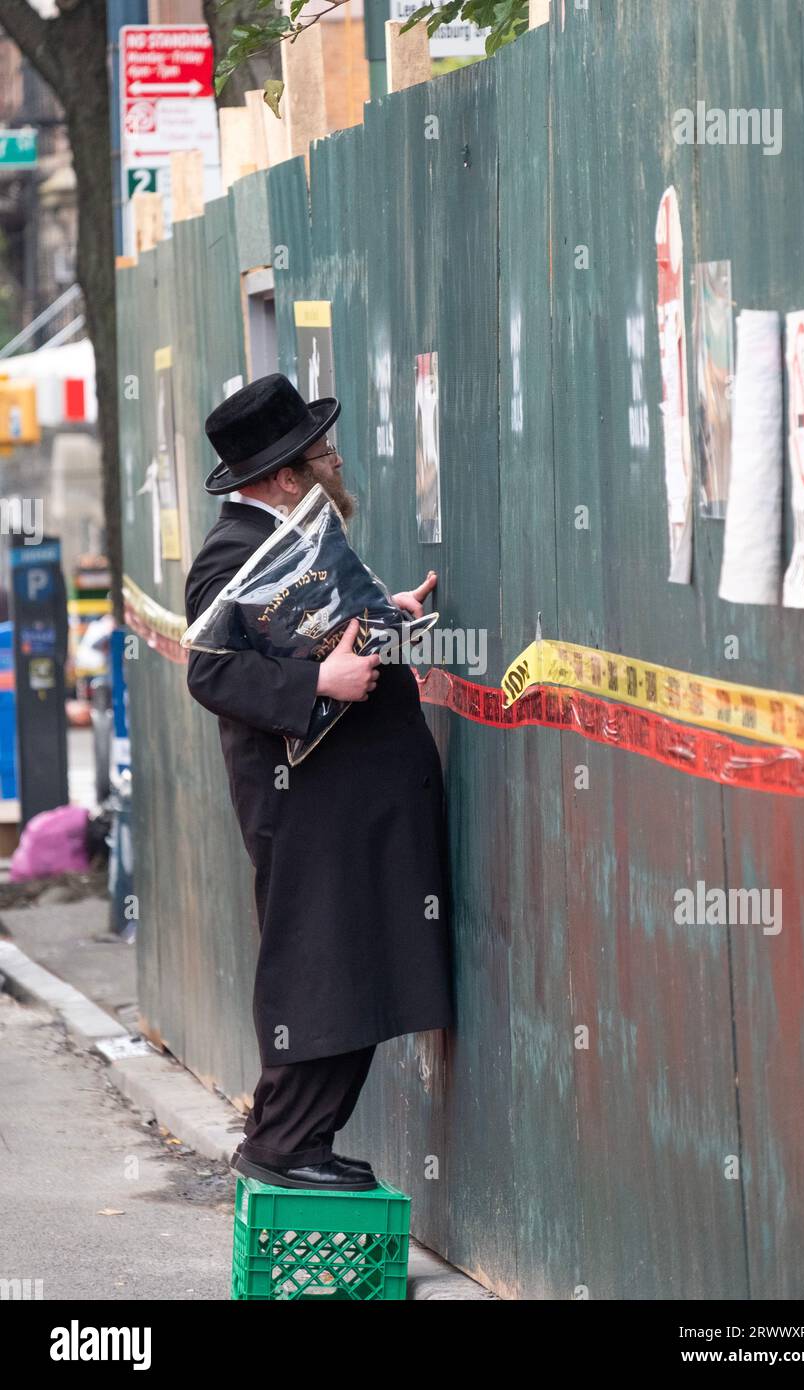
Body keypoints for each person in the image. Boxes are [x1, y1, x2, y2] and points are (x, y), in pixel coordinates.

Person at [184, 374, 454, 1191]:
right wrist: (318, 688)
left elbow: (308, 628)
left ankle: (302, 1137)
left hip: (349, 796)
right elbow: (211, 671)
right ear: (286, 476)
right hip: (305, 802)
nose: (335, 461)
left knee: (359, 954)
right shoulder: (233, 552)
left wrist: (380, 616)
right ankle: (285, 1141)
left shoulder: (296, 531)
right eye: (320, 453)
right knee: (323, 957)